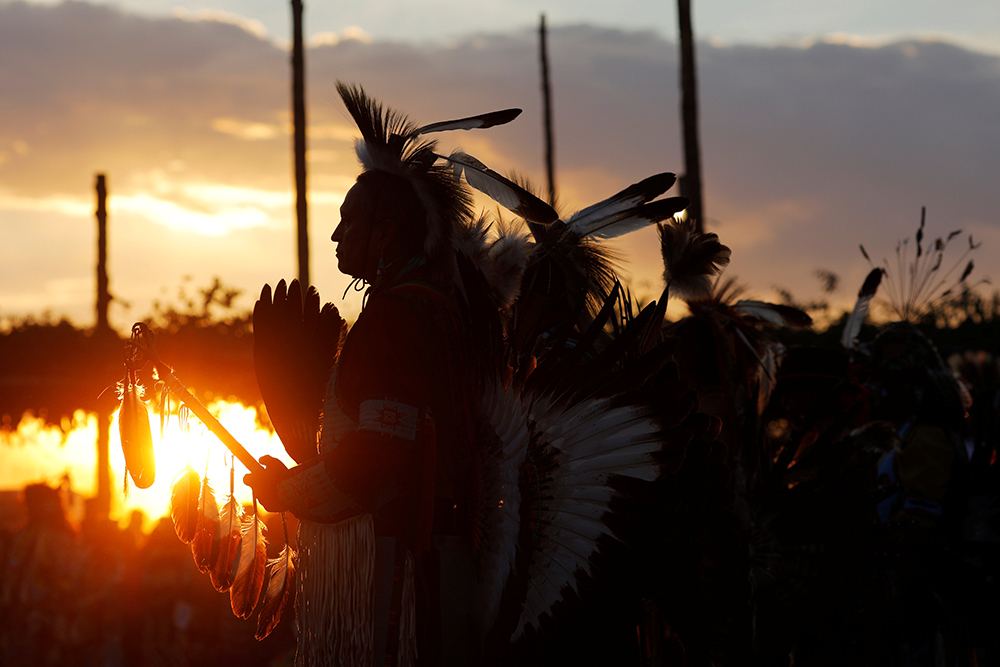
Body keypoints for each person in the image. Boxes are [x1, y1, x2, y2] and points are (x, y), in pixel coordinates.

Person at [245, 83, 493, 667]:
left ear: (384, 235)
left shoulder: (397, 317)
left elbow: (380, 455)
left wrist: (288, 491)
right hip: (438, 564)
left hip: (404, 576)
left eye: (348, 222)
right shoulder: (430, 309)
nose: (336, 235)